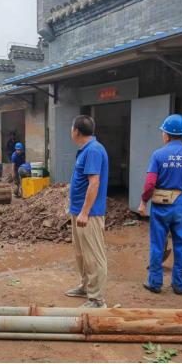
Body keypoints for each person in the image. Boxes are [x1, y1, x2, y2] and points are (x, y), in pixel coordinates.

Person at [138, 114, 182, 295]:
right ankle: (179, 285)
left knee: (158, 244)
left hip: (162, 205)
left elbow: (150, 183)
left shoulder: (158, 154)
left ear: (166, 134)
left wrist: (143, 202)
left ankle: (155, 283)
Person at [65, 115, 109, 308]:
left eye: (71, 127)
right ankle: (85, 287)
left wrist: (84, 212)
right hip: (79, 211)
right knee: (81, 254)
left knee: (94, 255)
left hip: (89, 214)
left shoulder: (93, 151)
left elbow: (94, 182)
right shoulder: (86, 150)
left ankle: (97, 299)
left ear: (76, 131)